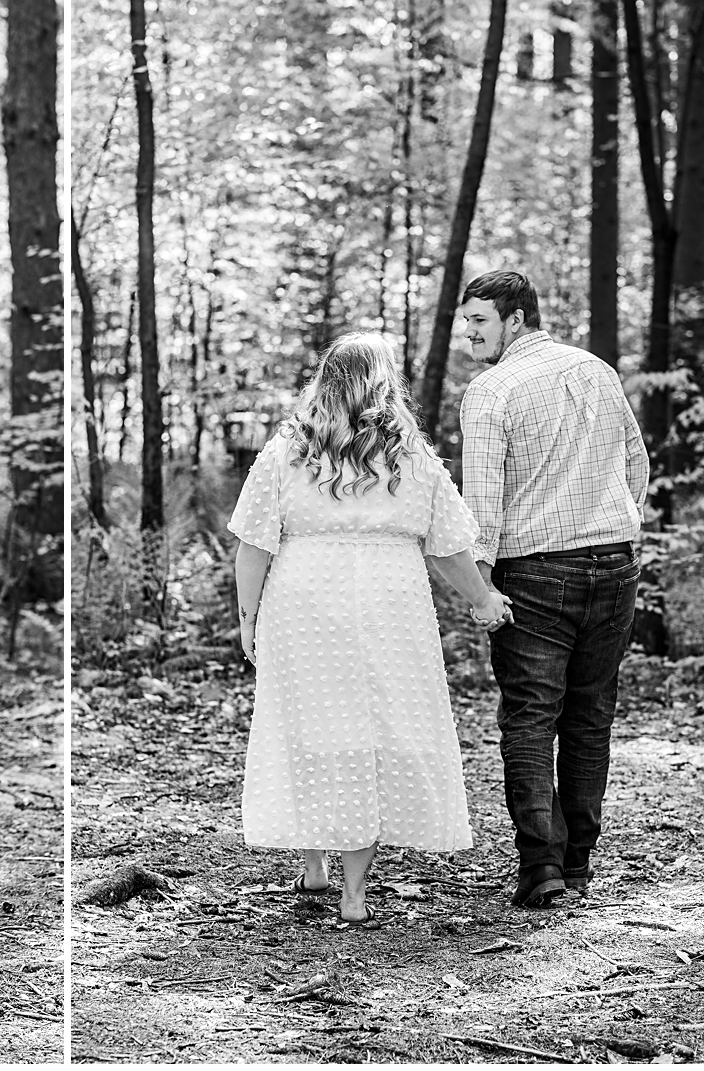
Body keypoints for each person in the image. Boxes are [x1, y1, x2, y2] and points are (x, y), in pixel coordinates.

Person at [230, 333, 513, 924]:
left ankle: (316, 864)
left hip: (303, 598)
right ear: (386, 384)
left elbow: (253, 547)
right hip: (392, 603)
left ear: (324, 382)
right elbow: (449, 548)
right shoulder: (413, 458)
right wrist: (482, 597)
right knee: (372, 729)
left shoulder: (285, 454)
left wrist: (248, 619)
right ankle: (352, 895)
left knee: (311, 724)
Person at [458, 269, 649, 909]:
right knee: (591, 715)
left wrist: (480, 587)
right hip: (614, 565)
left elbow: (481, 504)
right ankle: (579, 861)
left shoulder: (489, 392)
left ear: (516, 319)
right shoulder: (597, 370)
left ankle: (542, 867)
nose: (469, 334)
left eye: (480, 321)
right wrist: (620, 520)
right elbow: (635, 459)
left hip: (536, 572)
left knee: (532, 718)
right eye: (467, 321)